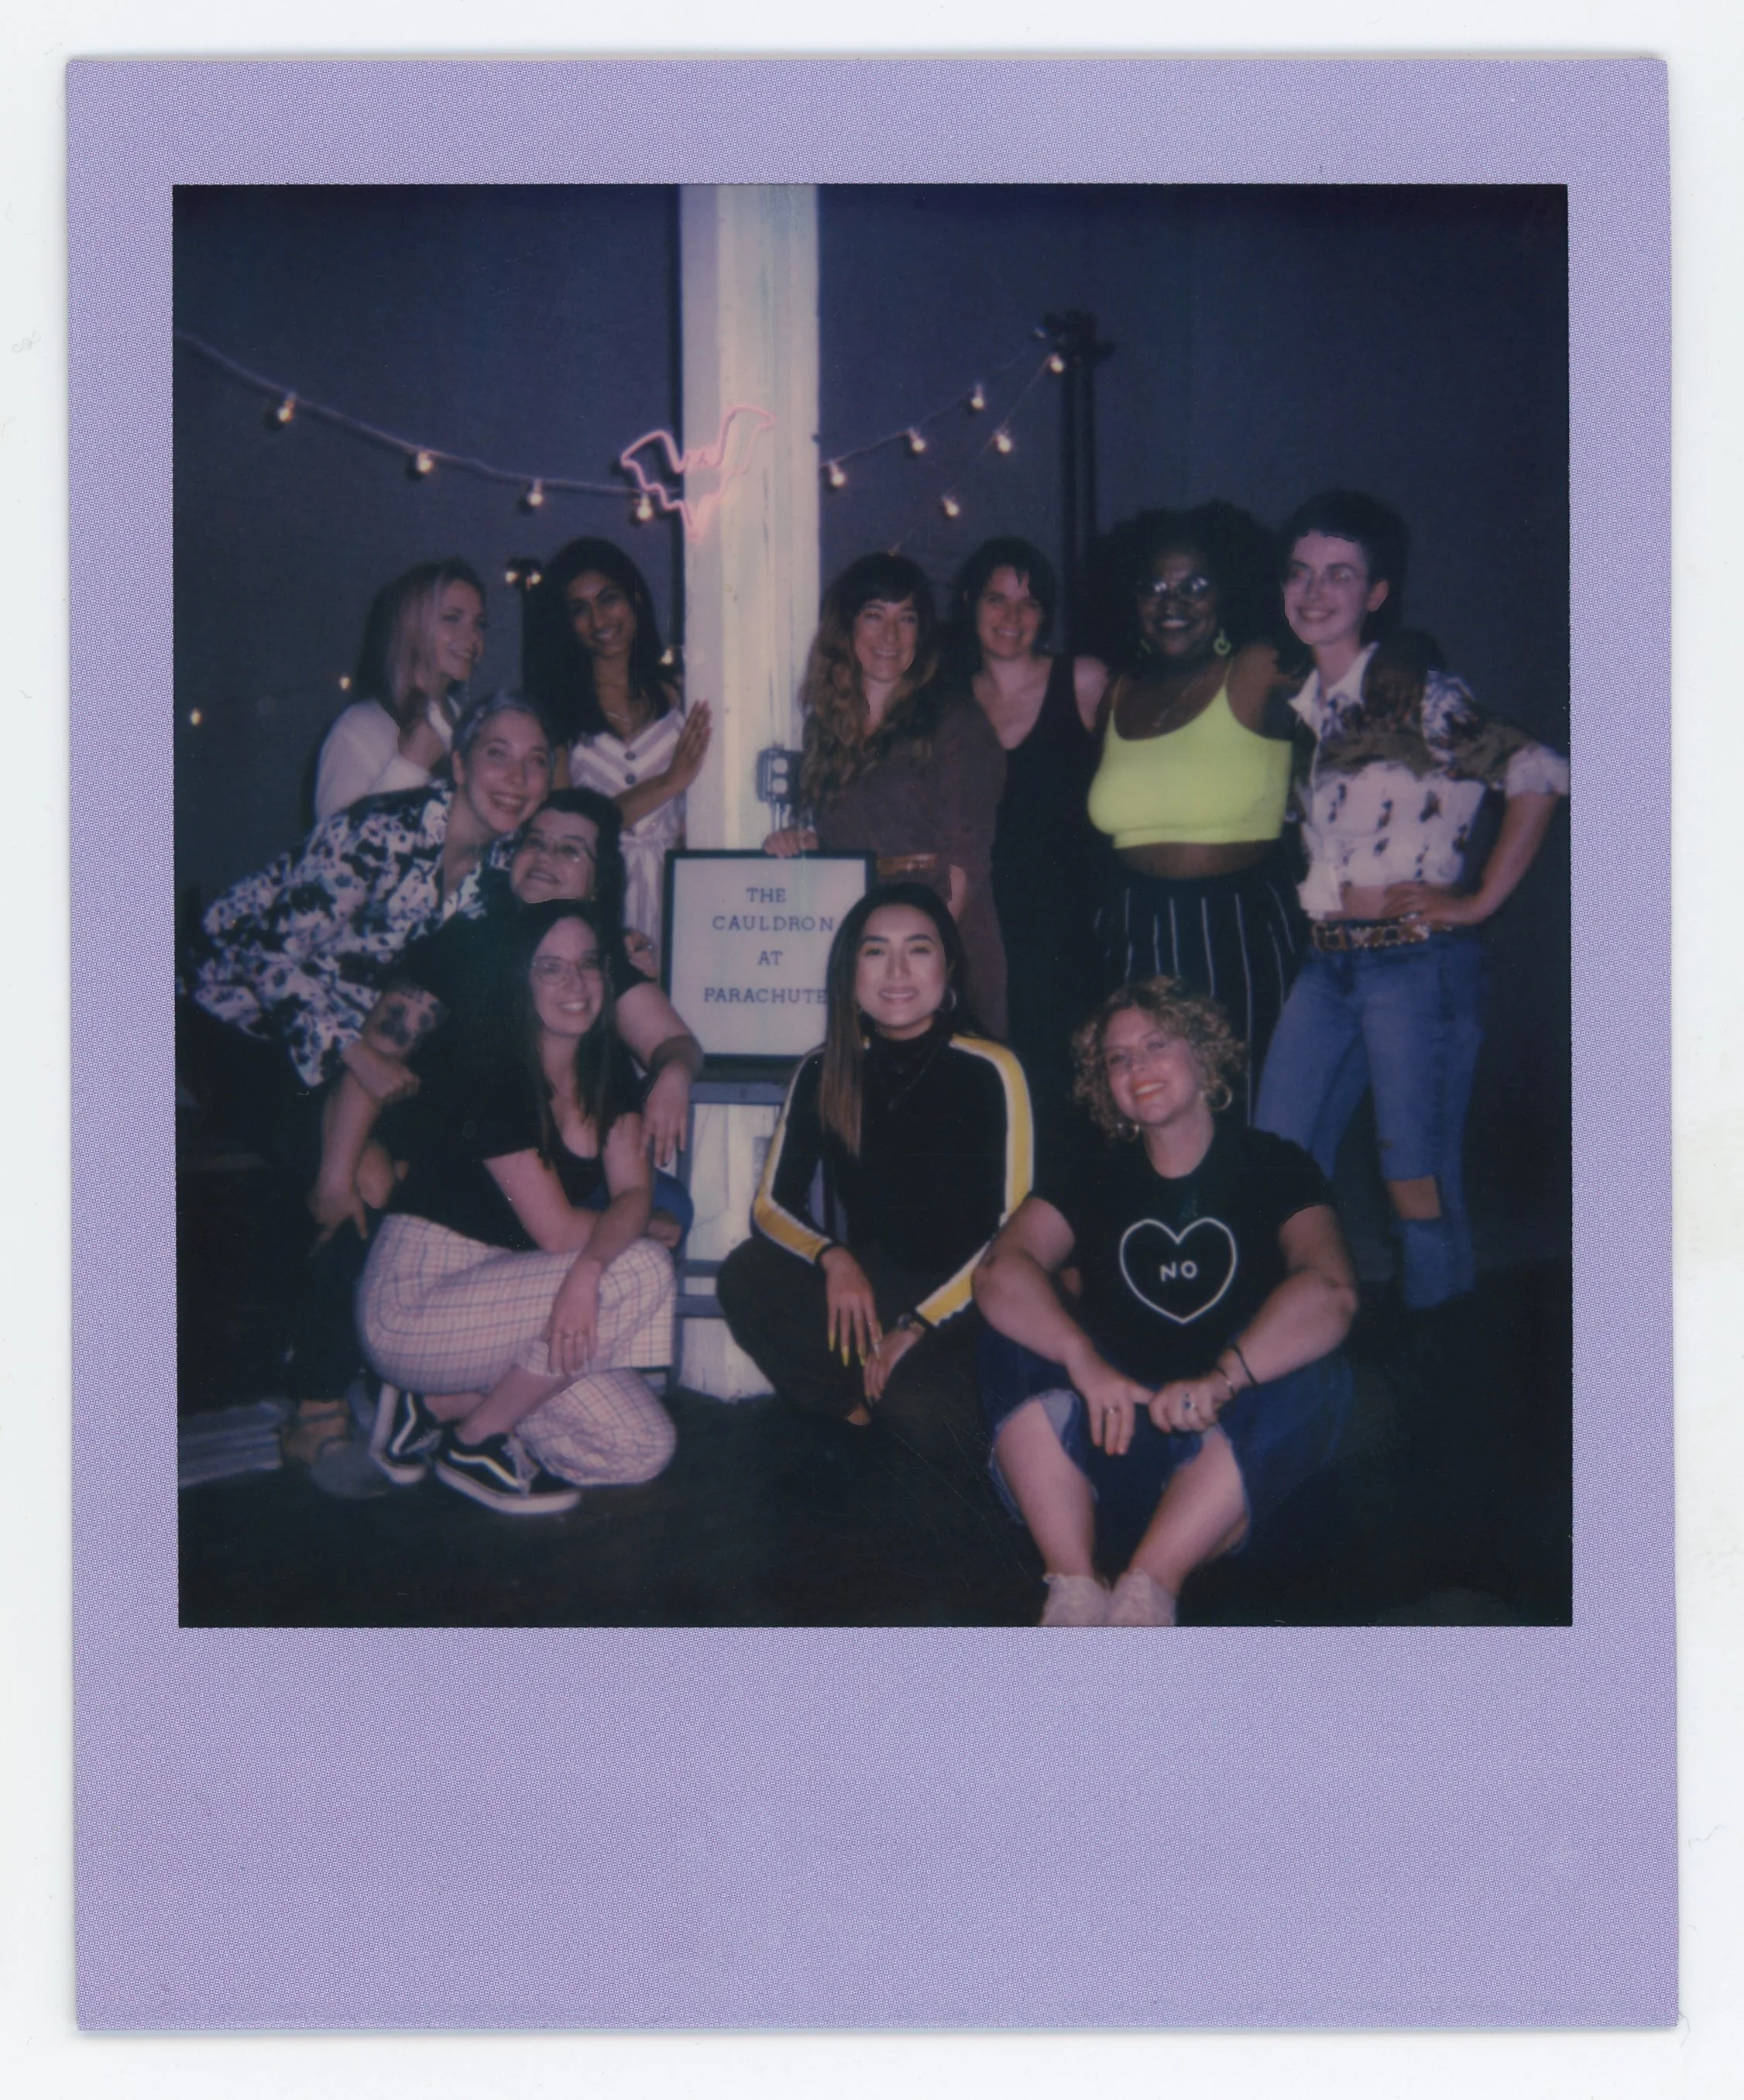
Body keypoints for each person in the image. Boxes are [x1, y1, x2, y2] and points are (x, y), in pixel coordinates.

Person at [179, 690, 553, 1473]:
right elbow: (267, 957)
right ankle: (313, 1405)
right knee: (360, 1174)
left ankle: (348, 1370)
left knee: (401, 1168)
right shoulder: (377, 832)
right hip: (238, 1014)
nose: (517, 776)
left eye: (536, 760)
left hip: (355, 1035)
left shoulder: (492, 875)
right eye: (496, 754)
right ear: (457, 764)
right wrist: (353, 1052)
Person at [1254, 490, 1569, 1311]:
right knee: (1278, 1159)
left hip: (1415, 964)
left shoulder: (1413, 691)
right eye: (1299, 573)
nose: (1314, 592)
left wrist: (1473, 901)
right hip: (1327, 966)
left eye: (1339, 575)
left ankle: (1443, 1360)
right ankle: (1306, 1334)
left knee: (1413, 1178)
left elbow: (1536, 772)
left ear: (1376, 593)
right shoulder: (1303, 709)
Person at [973, 978, 1357, 1627]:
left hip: (1225, 1452)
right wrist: (1084, 1360)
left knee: (1314, 1367)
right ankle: (1073, 1587)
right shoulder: (1095, 1171)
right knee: (1010, 1329)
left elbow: (1332, 1289)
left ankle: (1147, 1591)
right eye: (1118, 1058)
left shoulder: (1273, 1163)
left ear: (1204, 1055)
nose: (1137, 1067)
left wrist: (1223, 1377)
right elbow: (999, 1272)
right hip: (1114, 1434)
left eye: (1156, 1044)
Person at [356, 899, 677, 1514]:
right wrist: (600, 1260)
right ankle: (475, 1442)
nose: (576, 984)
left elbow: (635, 1193)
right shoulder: (493, 1072)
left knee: (641, 1446)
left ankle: (435, 1404)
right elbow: (560, 1232)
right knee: (638, 1266)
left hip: (508, 1304)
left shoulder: (610, 1072)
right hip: (417, 1302)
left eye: (588, 963)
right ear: (520, 981)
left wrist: (616, 1238)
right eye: (550, 967)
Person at [716, 884, 1032, 1476]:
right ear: (850, 971)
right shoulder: (824, 1065)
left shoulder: (992, 1067)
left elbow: (1012, 1231)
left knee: (926, 1415)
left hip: (970, 1297)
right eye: (874, 951)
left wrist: (919, 1325)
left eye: (918, 949)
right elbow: (772, 1205)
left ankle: (908, 1401)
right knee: (745, 1276)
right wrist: (834, 1258)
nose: (896, 971)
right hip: (873, 1283)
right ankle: (856, 1405)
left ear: (949, 966)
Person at [310, 789, 702, 1252]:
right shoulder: (462, 945)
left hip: (549, 1166)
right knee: (371, 1182)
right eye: (535, 841)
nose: (544, 856)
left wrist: (674, 1073)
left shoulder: (598, 957)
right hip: (450, 1165)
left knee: (671, 1205)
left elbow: (674, 1042)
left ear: (598, 882)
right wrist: (337, 1175)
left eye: (570, 849)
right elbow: (373, 1059)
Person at [1087, 503, 1306, 1115]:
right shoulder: (1117, 695)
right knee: (1144, 1105)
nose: (1172, 601)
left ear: (1228, 593)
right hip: (1131, 925)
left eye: (1194, 585)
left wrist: (1409, 648)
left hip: (1235, 924)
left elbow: (1352, 673)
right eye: (1153, 586)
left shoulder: (1258, 668)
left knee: (1243, 1104)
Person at [764, 553, 1009, 1038]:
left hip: (943, 924)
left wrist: (930, 949)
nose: (891, 637)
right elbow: (852, 836)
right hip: (865, 932)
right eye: (875, 616)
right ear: (846, 627)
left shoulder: (955, 721)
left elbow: (967, 860)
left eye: (908, 619)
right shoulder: (827, 727)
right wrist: (808, 846)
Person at [949, 537, 1109, 1138]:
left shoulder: (1086, 680)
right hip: (982, 924)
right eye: (997, 599)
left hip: (1069, 930)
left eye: (1029, 603)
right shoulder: (949, 701)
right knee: (992, 1100)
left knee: (1071, 1099)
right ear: (970, 603)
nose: (1012, 618)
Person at [530, 538, 712, 964]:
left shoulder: (680, 694)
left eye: (608, 599)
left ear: (635, 599)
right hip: (599, 891)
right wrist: (669, 782)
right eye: (579, 609)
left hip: (678, 890)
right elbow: (574, 825)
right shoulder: (555, 712)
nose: (598, 619)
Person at [313, 559, 488, 821]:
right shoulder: (359, 730)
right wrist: (409, 766)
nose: (473, 637)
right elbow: (333, 856)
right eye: (453, 618)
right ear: (411, 625)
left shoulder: (465, 721)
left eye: (479, 624)